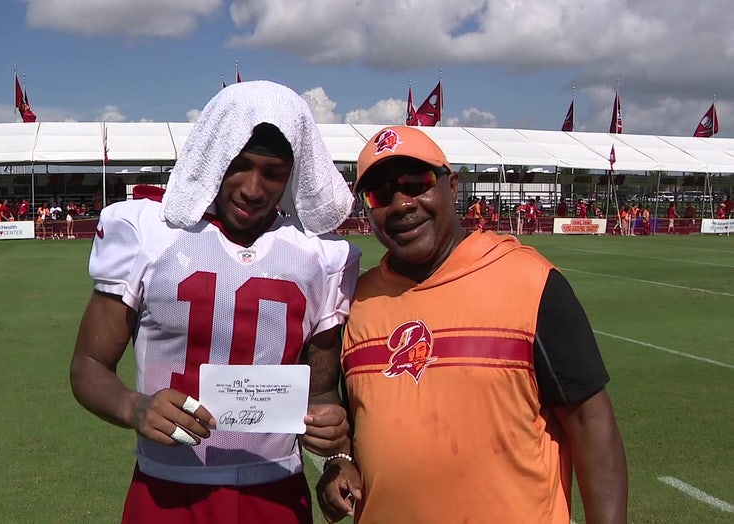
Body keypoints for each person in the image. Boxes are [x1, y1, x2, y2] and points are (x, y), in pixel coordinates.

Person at [70, 81, 358, 524]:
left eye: (273, 172)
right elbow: (89, 364)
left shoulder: (321, 256)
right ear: (214, 155)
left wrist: (336, 450)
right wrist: (134, 406)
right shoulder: (150, 234)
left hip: (277, 491)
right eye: (238, 165)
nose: (253, 188)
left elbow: (320, 391)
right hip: (166, 491)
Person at [317, 126, 627, 523]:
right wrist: (339, 462)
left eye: (416, 184)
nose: (401, 204)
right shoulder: (356, 301)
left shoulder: (530, 282)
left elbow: (591, 421)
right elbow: (353, 425)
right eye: (380, 194)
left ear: (453, 186)